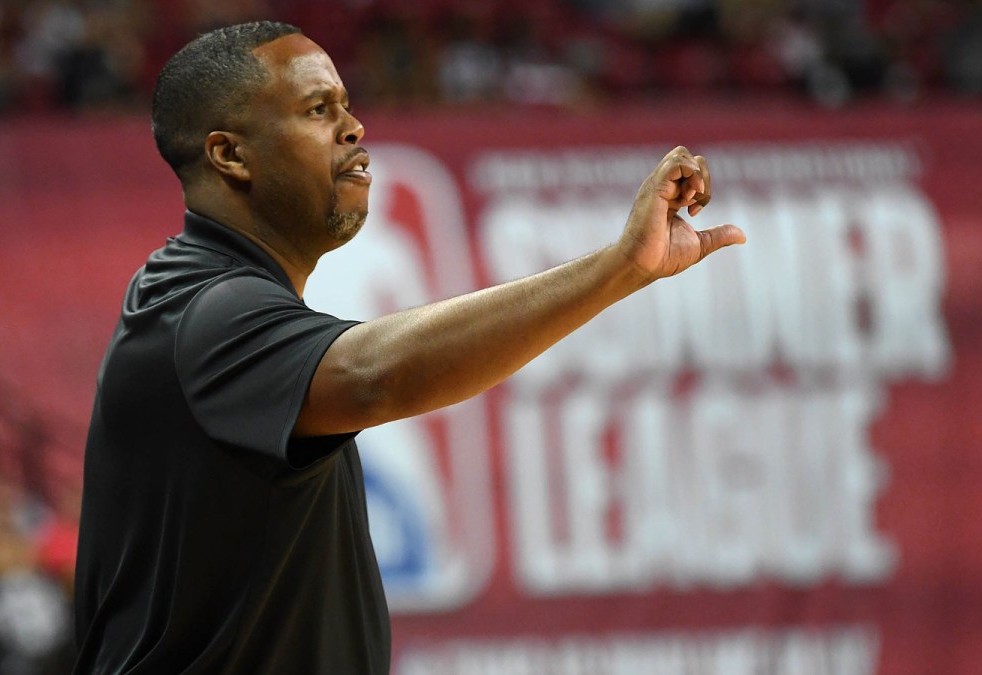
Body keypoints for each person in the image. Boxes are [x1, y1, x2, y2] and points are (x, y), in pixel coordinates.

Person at [72, 20, 745, 675]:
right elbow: (374, 373)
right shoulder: (207, 311)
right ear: (231, 154)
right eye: (316, 108)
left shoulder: (201, 298)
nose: (353, 126)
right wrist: (620, 266)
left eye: (346, 103)